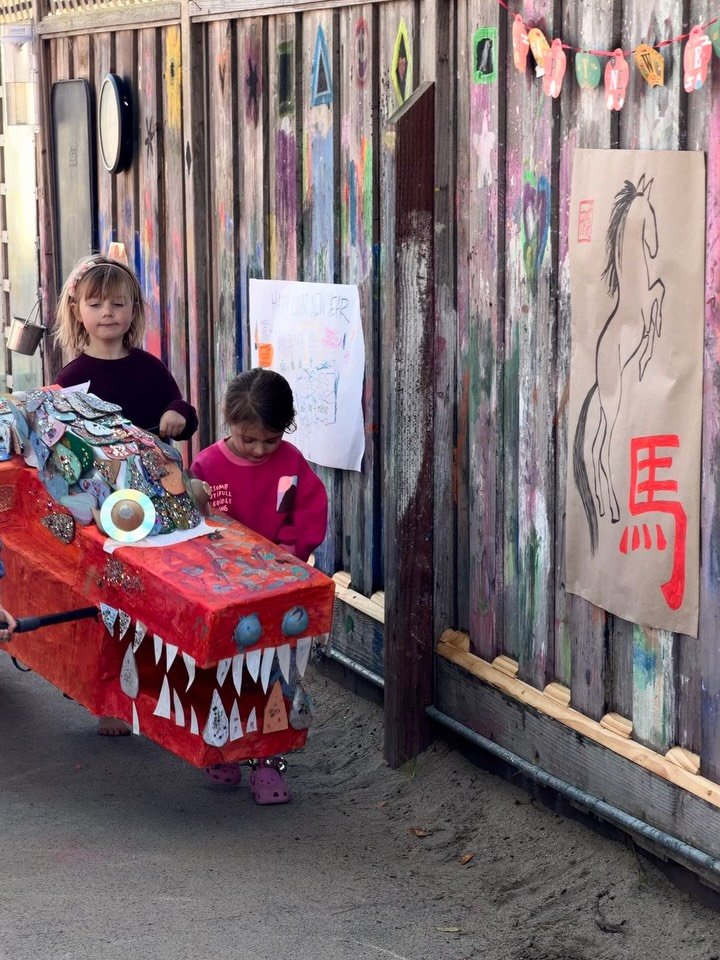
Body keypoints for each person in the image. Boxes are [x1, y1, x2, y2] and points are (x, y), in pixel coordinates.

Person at [53, 253, 199, 735]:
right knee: (109, 597)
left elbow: (181, 409)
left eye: (119, 303)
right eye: (96, 304)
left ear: (134, 310)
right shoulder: (72, 379)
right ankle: (111, 697)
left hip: (157, 496)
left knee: (155, 594)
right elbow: (61, 448)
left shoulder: (149, 368)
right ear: (78, 311)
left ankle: (159, 688)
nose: (108, 313)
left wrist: (178, 413)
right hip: (101, 505)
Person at [191, 367, 328, 803]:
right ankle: (225, 750)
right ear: (229, 421)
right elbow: (196, 526)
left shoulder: (289, 464)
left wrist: (289, 551)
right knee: (224, 672)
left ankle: (268, 763)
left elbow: (306, 512)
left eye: (270, 439)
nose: (259, 449)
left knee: (275, 678)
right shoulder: (206, 467)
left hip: (277, 591)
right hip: (224, 592)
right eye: (248, 439)